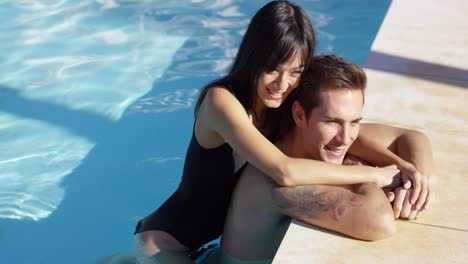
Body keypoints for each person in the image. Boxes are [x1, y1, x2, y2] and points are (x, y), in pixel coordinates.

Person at [128, 1, 429, 263]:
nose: (282, 83)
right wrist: (375, 175)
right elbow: (284, 171)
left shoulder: (282, 103)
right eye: (272, 68)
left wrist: (405, 169)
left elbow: (357, 137)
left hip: (210, 242)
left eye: (295, 72)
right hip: (164, 244)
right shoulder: (221, 103)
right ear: (252, 59)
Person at [208, 55, 434, 263]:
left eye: (354, 121)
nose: (345, 138)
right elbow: (378, 222)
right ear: (299, 115)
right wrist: (356, 166)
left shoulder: (319, 138)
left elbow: (412, 137)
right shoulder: (272, 181)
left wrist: (414, 182)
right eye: (332, 122)